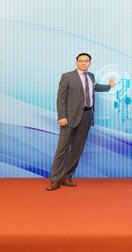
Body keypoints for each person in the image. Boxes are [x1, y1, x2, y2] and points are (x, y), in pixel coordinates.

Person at [46, 53, 116, 191]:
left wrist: (109, 86)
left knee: (77, 149)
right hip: (69, 117)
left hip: (87, 116)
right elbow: (61, 98)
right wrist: (61, 116)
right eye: (81, 61)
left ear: (90, 63)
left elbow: (94, 87)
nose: (83, 63)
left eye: (86, 61)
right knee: (62, 149)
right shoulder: (67, 76)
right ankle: (55, 179)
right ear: (76, 62)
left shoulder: (91, 76)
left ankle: (66, 177)